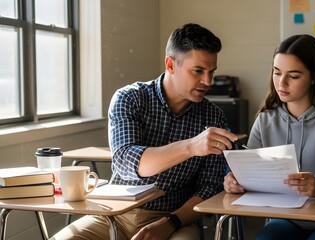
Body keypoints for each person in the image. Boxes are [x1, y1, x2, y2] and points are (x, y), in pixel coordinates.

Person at [51, 23, 238, 240]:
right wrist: (191, 146)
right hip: (115, 214)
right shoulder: (130, 98)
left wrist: (170, 222)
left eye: (211, 72)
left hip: (175, 219)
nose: (207, 81)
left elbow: (209, 187)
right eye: (198, 71)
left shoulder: (213, 117)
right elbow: (126, 162)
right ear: (170, 64)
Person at [223, 34, 315, 240]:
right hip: (283, 218)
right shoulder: (265, 120)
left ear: (313, 77)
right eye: (277, 73)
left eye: (293, 76)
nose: (281, 83)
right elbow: (250, 174)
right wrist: (234, 182)